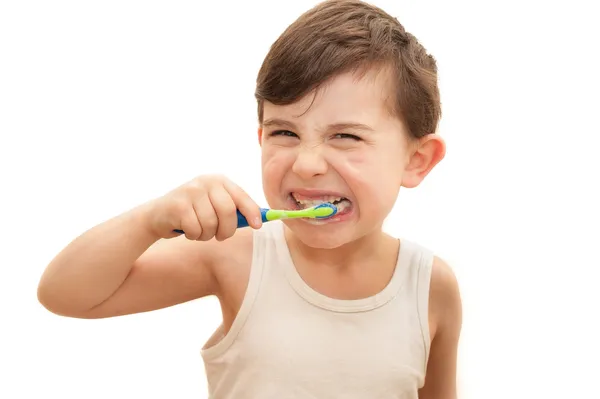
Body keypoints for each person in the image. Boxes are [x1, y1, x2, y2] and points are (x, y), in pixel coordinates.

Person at [37, 0, 462, 397]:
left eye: (346, 136)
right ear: (261, 139)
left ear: (417, 160)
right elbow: (64, 293)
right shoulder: (235, 255)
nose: (307, 163)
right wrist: (149, 220)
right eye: (284, 133)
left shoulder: (430, 286)